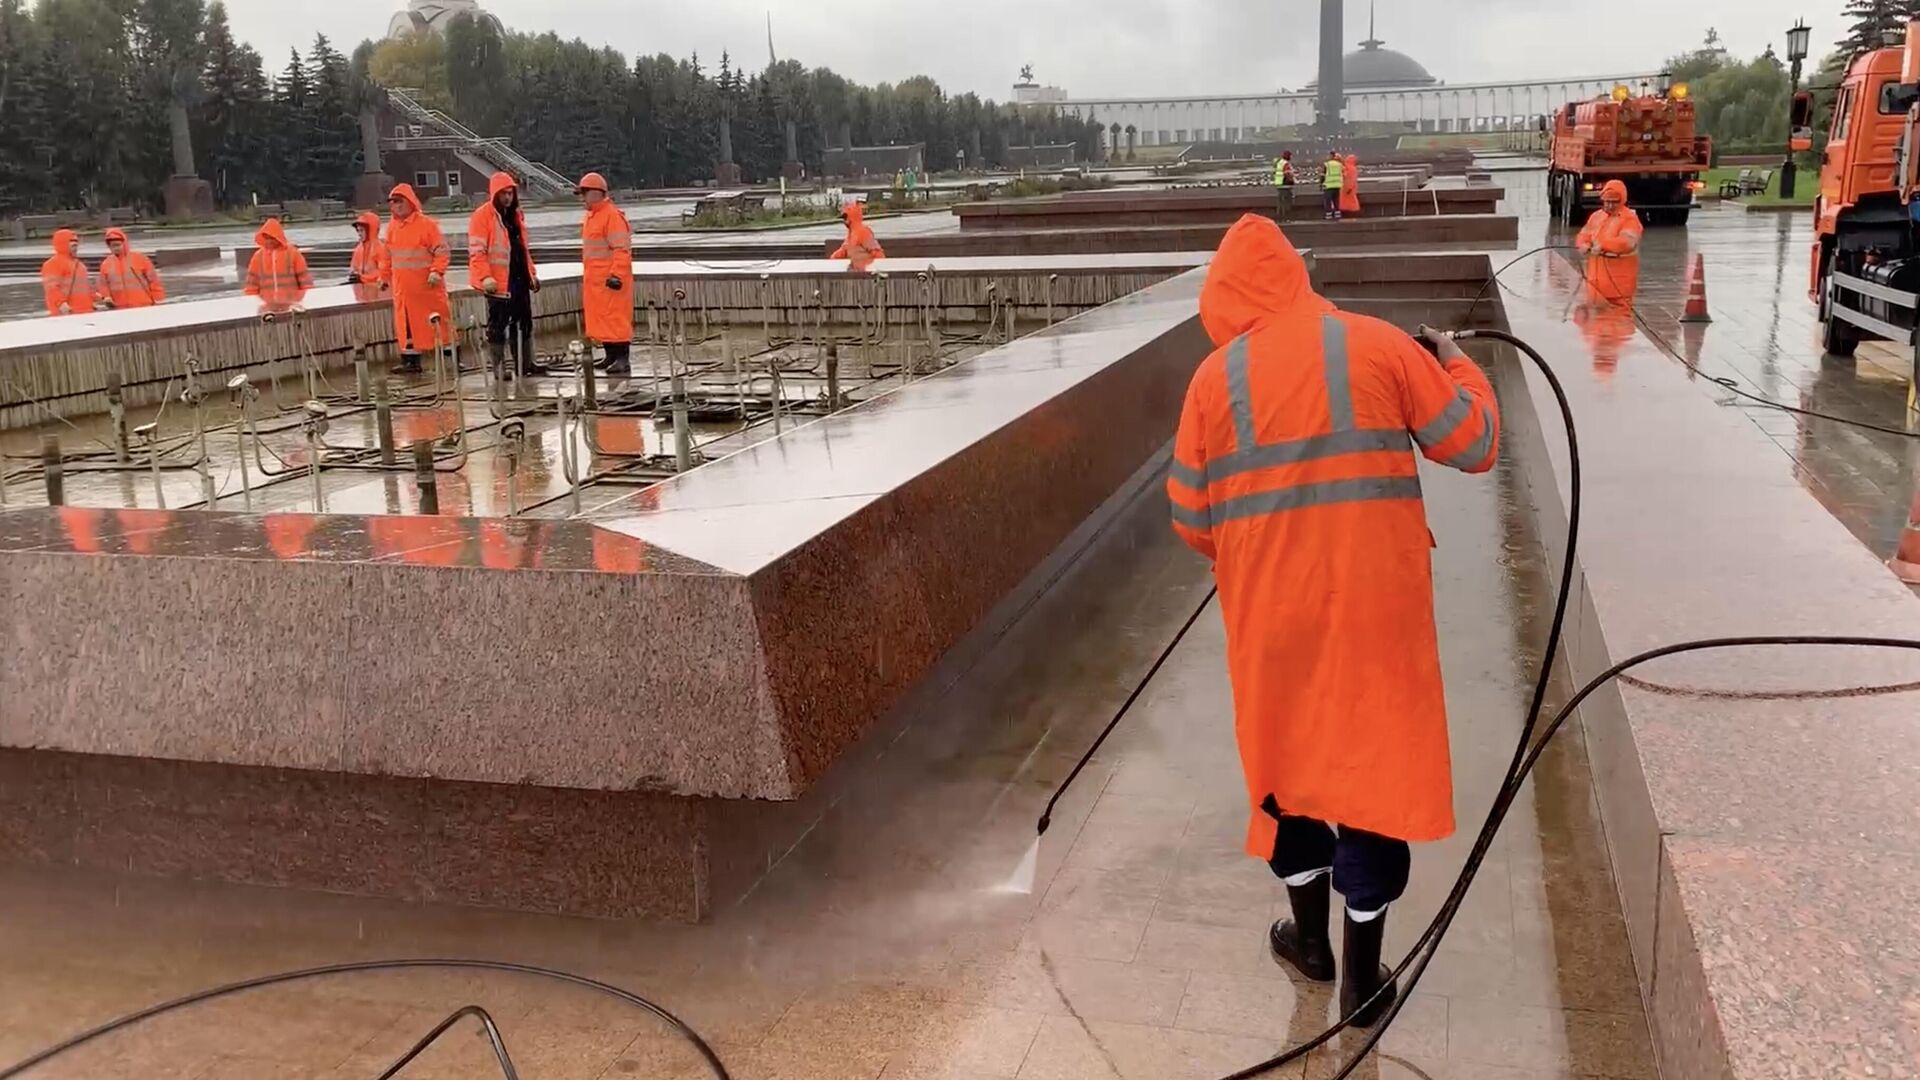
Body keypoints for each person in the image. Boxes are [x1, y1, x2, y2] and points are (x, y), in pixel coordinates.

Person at [1166, 214, 1500, 1029]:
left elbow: (1189, 518)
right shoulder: (1381, 345)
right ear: (1296, 277)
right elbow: (1474, 442)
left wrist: (1251, 544)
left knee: (1289, 771)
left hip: (1271, 615)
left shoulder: (1215, 379)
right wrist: (1455, 359)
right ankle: (1361, 983)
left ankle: (1306, 945)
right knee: (1371, 778)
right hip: (1374, 612)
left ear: (1226, 296)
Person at [469, 172, 542, 380]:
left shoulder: (516, 216)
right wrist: (485, 277)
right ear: (495, 195)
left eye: (510, 193)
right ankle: (499, 368)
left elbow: (522, 249)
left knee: (524, 322)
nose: (507, 198)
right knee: (498, 325)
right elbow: (477, 252)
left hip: (518, 278)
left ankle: (525, 364)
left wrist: (532, 274)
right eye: (503, 194)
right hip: (498, 283)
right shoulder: (482, 217)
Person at [384, 183, 452, 375]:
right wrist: (383, 277)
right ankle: (410, 362)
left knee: (440, 324)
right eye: (393, 202)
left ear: (410, 202)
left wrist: (437, 272)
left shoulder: (427, 225)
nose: (396, 206)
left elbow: (442, 250)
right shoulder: (392, 228)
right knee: (407, 327)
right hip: (404, 290)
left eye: (400, 201)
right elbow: (386, 256)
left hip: (428, 286)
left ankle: (451, 359)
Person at [577, 172, 634, 376]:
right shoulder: (591, 218)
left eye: (584, 193)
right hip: (596, 281)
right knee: (602, 319)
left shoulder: (611, 216)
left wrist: (617, 275)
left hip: (612, 280)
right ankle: (610, 355)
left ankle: (622, 358)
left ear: (597, 193)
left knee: (616, 318)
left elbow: (622, 249)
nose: (582, 198)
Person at [1576, 179, 1642, 305]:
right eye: (1607, 201)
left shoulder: (1630, 219)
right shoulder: (1596, 216)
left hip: (1619, 289)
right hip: (1595, 286)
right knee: (1594, 323)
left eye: (1614, 202)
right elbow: (1584, 234)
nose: (1610, 205)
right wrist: (1583, 244)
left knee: (1619, 322)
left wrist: (1602, 245)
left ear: (1622, 201)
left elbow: (1627, 243)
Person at [242, 218, 313, 311]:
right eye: (266, 238)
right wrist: (253, 302)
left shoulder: (293, 253)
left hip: (292, 305)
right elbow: (251, 282)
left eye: (272, 238)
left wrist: (303, 300)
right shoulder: (258, 256)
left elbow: (305, 279)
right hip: (266, 306)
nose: (269, 241)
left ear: (278, 237)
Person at [96, 228, 165, 309]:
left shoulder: (140, 258)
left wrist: (158, 300)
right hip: (120, 307)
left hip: (143, 305)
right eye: (112, 246)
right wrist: (106, 297)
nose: (116, 248)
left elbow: (154, 281)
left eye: (118, 245)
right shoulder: (106, 264)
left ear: (124, 243)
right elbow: (103, 285)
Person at [40, 229, 94, 316]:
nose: (75, 248)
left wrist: (96, 298)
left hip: (85, 311)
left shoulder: (79, 265)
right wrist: (61, 303)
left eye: (76, 245)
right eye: (72, 245)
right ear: (62, 245)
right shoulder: (52, 264)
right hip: (66, 312)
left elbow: (86, 287)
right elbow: (52, 288)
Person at [830, 201, 886, 272]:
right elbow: (844, 250)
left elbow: (877, 253)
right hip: (856, 272)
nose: (844, 221)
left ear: (851, 216)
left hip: (866, 272)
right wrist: (831, 260)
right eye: (843, 218)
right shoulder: (851, 234)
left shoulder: (864, 232)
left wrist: (879, 270)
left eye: (845, 218)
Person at [347, 211, 389, 292]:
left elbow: (384, 274)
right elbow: (353, 269)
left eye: (361, 230)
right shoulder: (358, 249)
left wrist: (362, 278)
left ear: (370, 230)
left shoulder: (380, 249)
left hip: (379, 293)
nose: (359, 233)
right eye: (358, 230)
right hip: (362, 292)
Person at [1271, 151, 1297, 219]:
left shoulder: (1279, 163)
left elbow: (1275, 173)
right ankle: (1285, 216)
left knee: (1280, 201)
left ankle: (1279, 216)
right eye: (1290, 156)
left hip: (1279, 184)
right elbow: (1287, 174)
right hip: (1285, 184)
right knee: (1286, 201)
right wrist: (1292, 181)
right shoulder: (1285, 163)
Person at [1322, 151, 1346, 220]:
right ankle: (1337, 213)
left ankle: (1328, 214)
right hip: (1337, 185)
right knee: (1336, 200)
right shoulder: (1339, 164)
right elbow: (1344, 172)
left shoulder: (1327, 164)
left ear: (1330, 156)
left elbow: (1323, 175)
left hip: (1328, 185)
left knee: (1328, 200)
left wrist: (1321, 183)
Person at [1340, 153, 1362, 218]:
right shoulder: (1353, 169)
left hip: (1346, 188)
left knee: (1345, 202)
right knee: (1352, 202)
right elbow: (1352, 179)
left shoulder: (1346, 168)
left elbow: (1346, 177)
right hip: (1350, 189)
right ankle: (1354, 213)